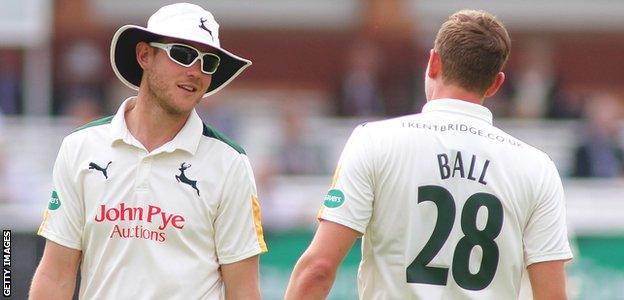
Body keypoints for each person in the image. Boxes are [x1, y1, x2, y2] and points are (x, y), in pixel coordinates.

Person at [285, 9, 572, 300]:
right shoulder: (537, 168)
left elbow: (318, 269)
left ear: (433, 62)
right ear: (496, 83)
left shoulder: (374, 141)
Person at [30, 3, 267, 299]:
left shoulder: (230, 163)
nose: (196, 71)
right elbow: (56, 275)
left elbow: (243, 290)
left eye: (209, 63)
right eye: (183, 55)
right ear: (145, 55)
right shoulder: (80, 147)